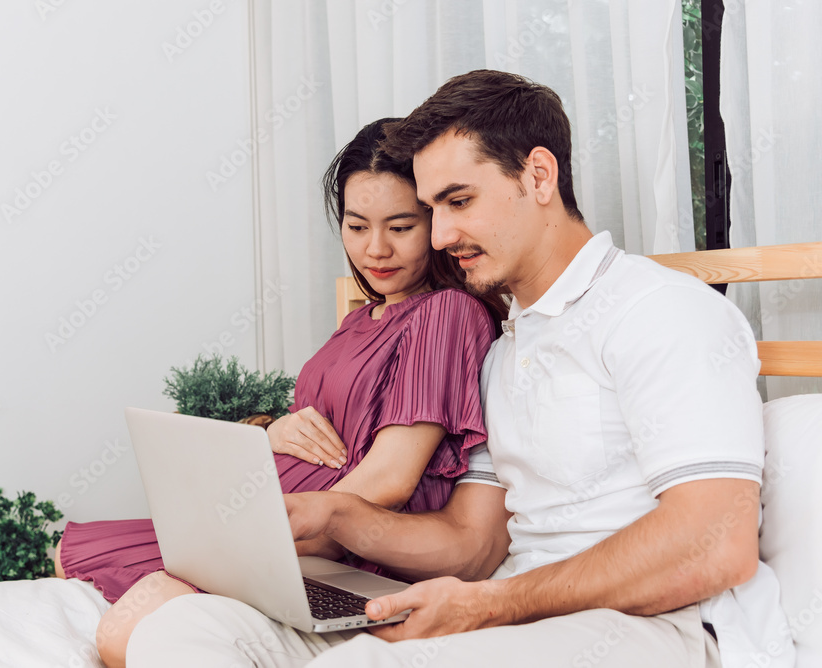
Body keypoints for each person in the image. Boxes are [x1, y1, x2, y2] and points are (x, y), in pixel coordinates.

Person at [125, 70, 796, 668]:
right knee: (188, 630)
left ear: (538, 176)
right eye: (434, 209)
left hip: (653, 627)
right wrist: (338, 518)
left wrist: (493, 605)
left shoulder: (659, 310)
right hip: (510, 608)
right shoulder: (506, 350)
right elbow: (470, 544)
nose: (440, 236)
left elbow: (715, 544)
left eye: (458, 201)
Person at [55, 118, 503, 668]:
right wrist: (274, 430)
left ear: (435, 224)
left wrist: (266, 540)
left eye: (401, 227)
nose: (376, 250)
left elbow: (389, 479)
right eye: (358, 227)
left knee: (121, 635)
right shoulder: (360, 318)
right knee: (68, 553)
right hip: (274, 519)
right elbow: (313, 425)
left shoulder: (446, 313)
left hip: (333, 541)